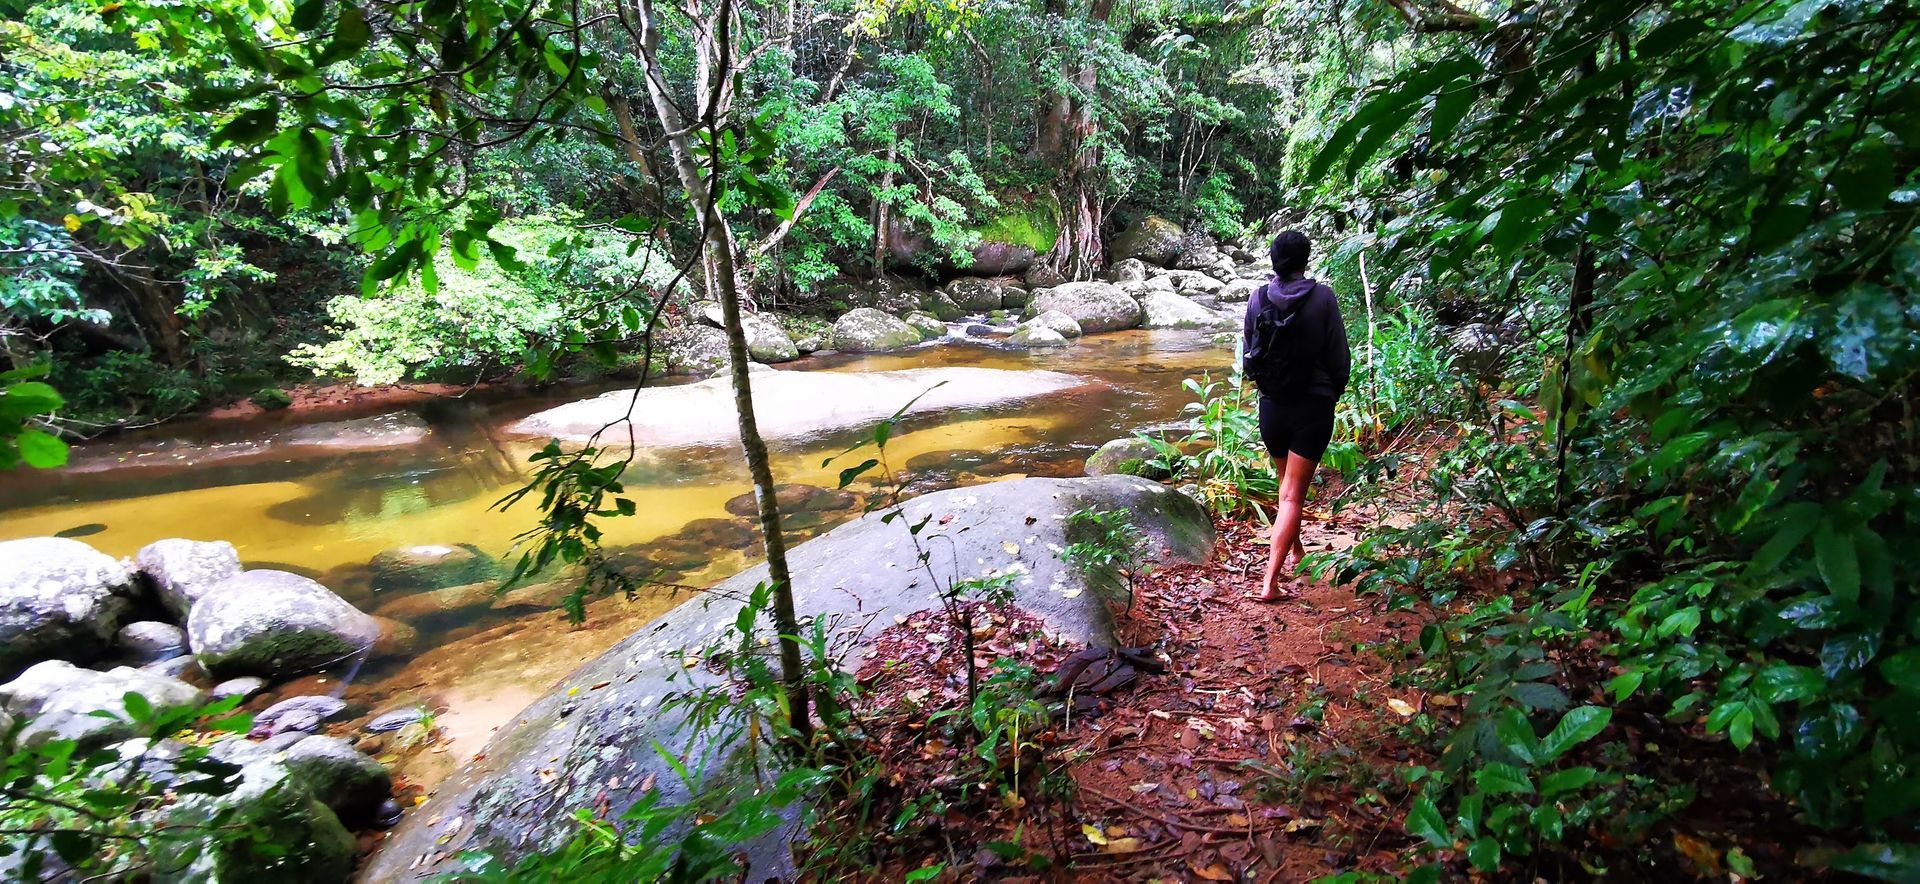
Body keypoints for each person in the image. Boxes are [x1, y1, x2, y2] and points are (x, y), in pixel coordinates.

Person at [1241, 230, 1350, 602]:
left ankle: (1298, 551)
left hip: (1272, 407)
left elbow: (1249, 359)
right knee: (1292, 496)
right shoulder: (1322, 297)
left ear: (1273, 260)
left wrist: (1267, 391)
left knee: (1286, 487)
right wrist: (1331, 393)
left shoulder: (1257, 299)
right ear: (1306, 258)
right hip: (1312, 405)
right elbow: (1339, 356)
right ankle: (1270, 583)